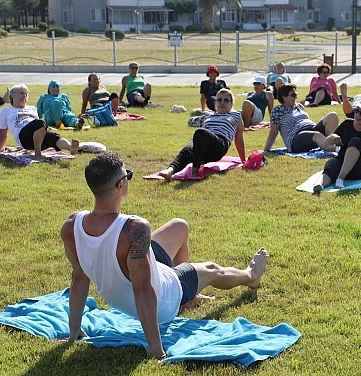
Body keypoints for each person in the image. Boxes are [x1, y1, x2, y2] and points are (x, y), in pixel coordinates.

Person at [61, 151, 269, 360]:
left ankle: (190, 295)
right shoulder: (134, 228)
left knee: (179, 226)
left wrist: (74, 331)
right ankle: (250, 276)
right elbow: (142, 288)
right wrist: (155, 346)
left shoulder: (72, 226)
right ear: (120, 185)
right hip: (163, 302)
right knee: (213, 270)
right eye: (128, 176)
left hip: (130, 285)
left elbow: (79, 278)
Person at [158, 89, 245, 180]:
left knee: (201, 132)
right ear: (215, 103)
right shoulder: (209, 115)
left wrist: (243, 161)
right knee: (189, 147)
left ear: (231, 104)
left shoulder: (236, 115)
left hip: (219, 145)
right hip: (205, 145)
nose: (222, 102)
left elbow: (239, 139)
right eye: (219, 100)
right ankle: (170, 170)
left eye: (226, 100)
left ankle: (195, 171)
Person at [313, 98, 361, 193]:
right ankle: (319, 184)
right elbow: (327, 143)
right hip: (341, 162)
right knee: (332, 165)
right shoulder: (347, 124)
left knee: (355, 141)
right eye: (356, 111)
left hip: (360, 170)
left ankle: (340, 178)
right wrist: (333, 137)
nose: (357, 115)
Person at [0, 84, 79, 160]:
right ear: (12, 96)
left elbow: (40, 129)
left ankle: (70, 147)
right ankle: (37, 154)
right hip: (23, 137)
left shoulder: (32, 109)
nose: (24, 96)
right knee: (39, 123)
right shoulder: (6, 111)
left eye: (26, 94)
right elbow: (3, 133)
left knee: (54, 136)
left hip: (37, 136)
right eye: (21, 93)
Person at [264, 84, 340, 153]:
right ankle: (338, 149)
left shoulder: (299, 106)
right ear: (284, 97)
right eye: (293, 95)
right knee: (317, 135)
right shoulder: (277, 110)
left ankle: (331, 143)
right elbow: (273, 131)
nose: (295, 97)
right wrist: (266, 149)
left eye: (295, 95)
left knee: (332, 116)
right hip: (296, 137)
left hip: (311, 129)